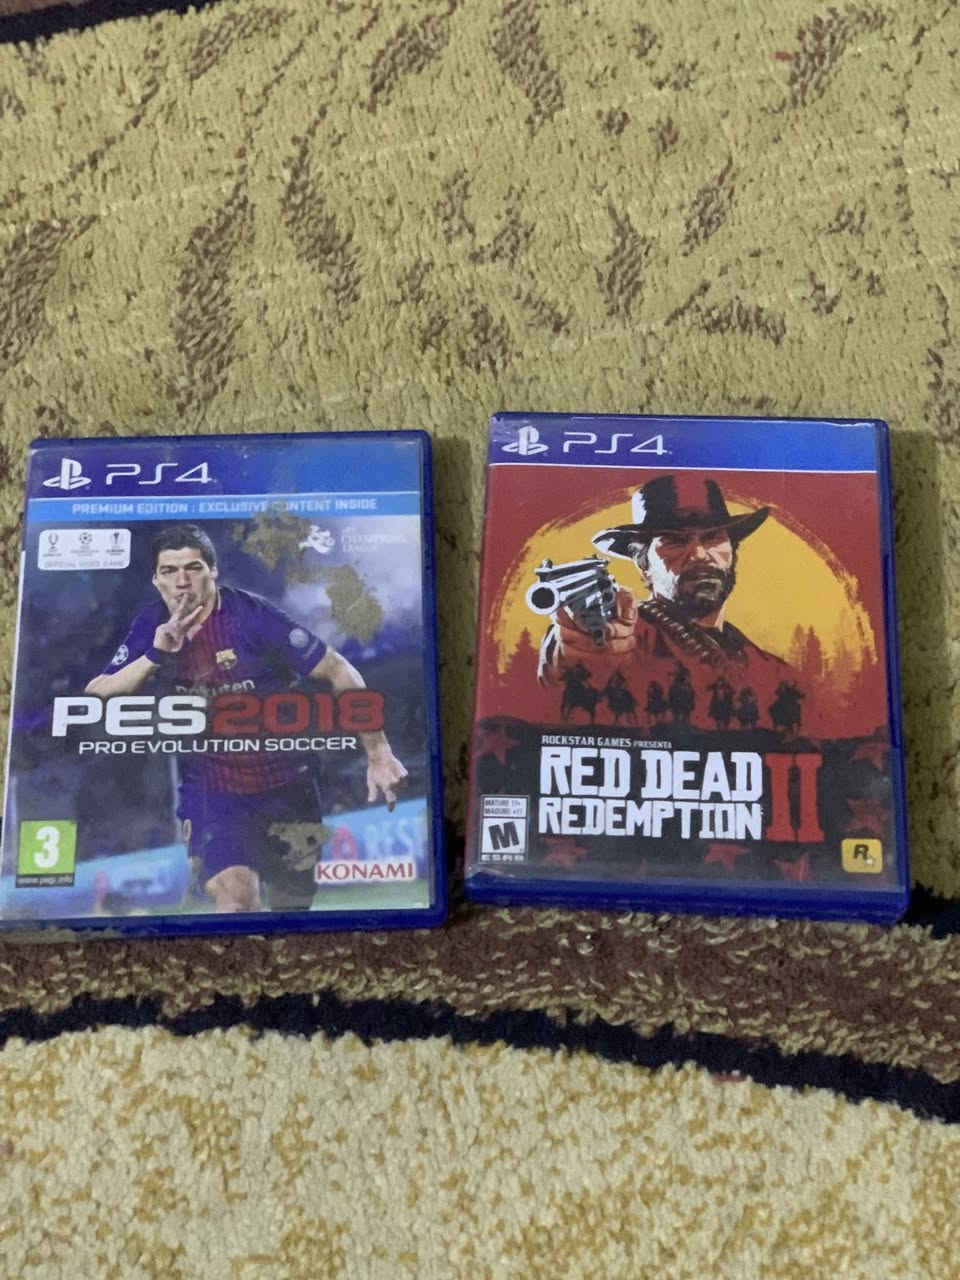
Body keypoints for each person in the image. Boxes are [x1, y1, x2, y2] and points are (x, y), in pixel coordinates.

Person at [85, 524, 407, 913]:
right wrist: (154, 655)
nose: (182, 581)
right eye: (169, 571)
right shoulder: (149, 625)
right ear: (156, 580)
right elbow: (97, 693)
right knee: (236, 899)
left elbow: (338, 669)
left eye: (193, 568)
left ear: (213, 571)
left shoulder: (251, 616)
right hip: (213, 792)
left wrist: (378, 752)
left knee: (292, 909)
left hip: (289, 784)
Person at [539, 475, 794, 715]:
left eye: (712, 537)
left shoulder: (769, 667)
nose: (699, 554)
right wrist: (577, 653)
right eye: (675, 541)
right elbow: (573, 653)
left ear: (733, 553)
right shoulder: (625, 632)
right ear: (643, 565)